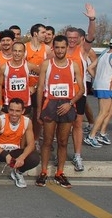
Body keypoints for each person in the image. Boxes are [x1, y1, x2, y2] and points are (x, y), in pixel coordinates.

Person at [35, 35, 84, 189]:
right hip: (50, 105)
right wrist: (38, 110)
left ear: (66, 47)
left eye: (63, 47)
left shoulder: (74, 65)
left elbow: (82, 89)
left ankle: (59, 173)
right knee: (47, 141)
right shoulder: (46, 65)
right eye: (57, 47)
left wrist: (70, 103)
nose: (60, 50)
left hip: (67, 106)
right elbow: (40, 89)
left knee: (63, 142)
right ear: (53, 48)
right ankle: (43, 171)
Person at [64, 4, 96, 172]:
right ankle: (61, 154)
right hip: (61, 94)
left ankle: (77, 155)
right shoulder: (58, 51)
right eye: (69, 37)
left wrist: (91, 19)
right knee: (61, 126)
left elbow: (91, 35)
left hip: (78, 94)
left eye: (75, 37)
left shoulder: (82, 50)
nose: (72, 40)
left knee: (77, 124)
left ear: (79, 38)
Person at [0, 98, 39, 188]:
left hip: (15, 151)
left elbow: (31, 144)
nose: (14, 114)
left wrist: (22, 157)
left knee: (34, 158)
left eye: (17, 111)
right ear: (8, 109)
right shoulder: (1, 119)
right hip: (0, 151)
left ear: (23, 111)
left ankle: (18, 172)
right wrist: (5, 155)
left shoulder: (27, 122)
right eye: (11, 110)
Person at [85, 42, 112, 147]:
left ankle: (102, 133)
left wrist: (97, 79)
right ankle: (91, 136)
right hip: (107, 86)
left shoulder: (104, 53)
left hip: (102, 85)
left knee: (109, 111)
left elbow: (90, 68)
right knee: (104, 112)